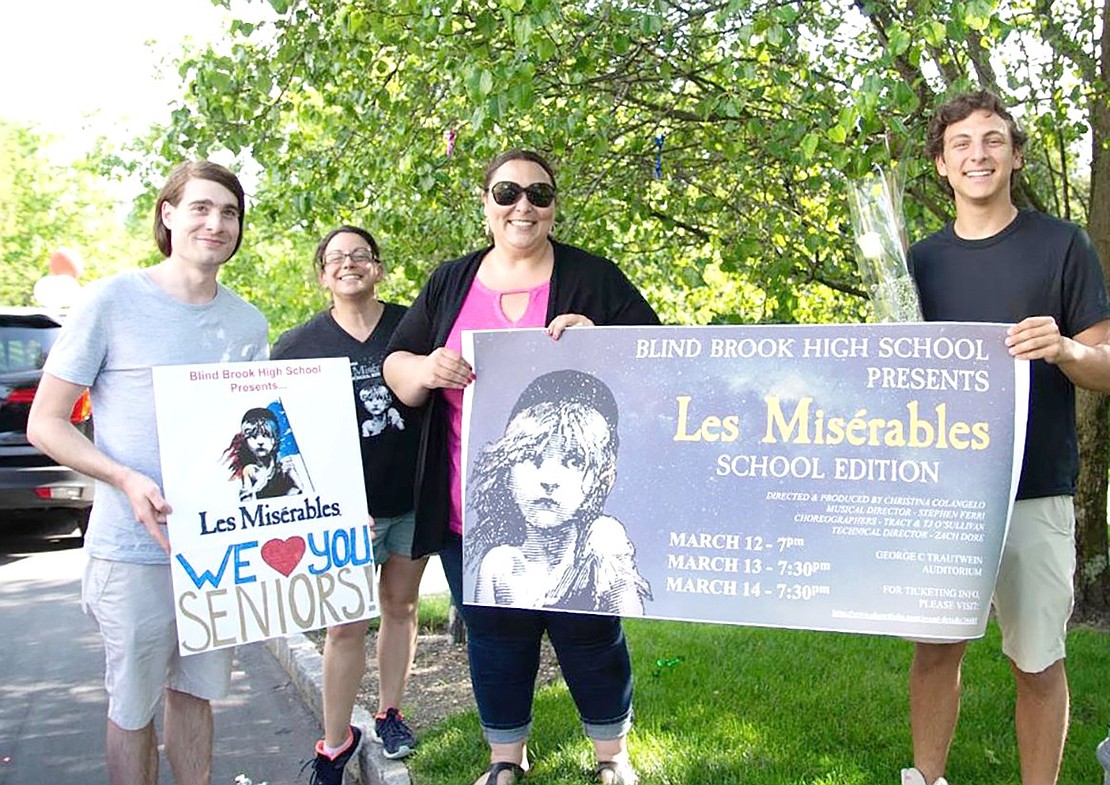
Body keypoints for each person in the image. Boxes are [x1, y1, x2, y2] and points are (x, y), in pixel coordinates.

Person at [383, 148, 659, 785]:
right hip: (468, 509)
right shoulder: (450, 281)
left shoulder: (594, 278)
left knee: (590, 637)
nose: (523, 206)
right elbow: (399, 367)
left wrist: (602, 344)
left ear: (554, 205)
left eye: (539, 194)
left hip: (576, 511)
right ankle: (506, 759)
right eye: (507, 193)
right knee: (494, 637)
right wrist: (426, 369)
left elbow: (656, 359)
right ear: (486, 204)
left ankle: (612, 758)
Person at [26, 161, 269, 785]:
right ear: (168, 213)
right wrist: (125, 478)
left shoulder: (249, 323)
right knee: (133, 708)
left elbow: (257, 436)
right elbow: (46, 424)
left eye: (229, 213)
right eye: (201, 208)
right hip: (134, 549)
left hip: (219, 551)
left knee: (196, 694)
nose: (216, 223)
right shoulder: (111, 300)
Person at [903, 90, 1110, 785]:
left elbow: (1105, 366)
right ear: (940, 164)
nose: (978, 154)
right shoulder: (917, 264)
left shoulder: (1063, 246)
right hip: (943, 494)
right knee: (936, 650)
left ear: (1016, 155)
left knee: (1038, 660)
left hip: (1036, 489)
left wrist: (1065, 350)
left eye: (992, 140)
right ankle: (927, 778)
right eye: (960, 143)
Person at [270, 225, 425, 781]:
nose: (349, 263)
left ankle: (389, 712)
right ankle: (335, 742)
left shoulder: (414, 325)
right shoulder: (296, 347)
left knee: (401, 609)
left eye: (360, 255)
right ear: (322, 276)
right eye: (336, 257)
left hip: (409, 498)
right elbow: (280, 439)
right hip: (340, 514)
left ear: (378, 268)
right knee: (344, 626)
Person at [467, 369, 651, 615]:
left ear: (601, 477)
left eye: (574, 460)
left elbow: (630, 614)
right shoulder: (500, 565)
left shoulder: (603, 547)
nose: (549, 479)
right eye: (531, 456)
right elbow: (493, 636)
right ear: (507, 469)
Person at [223, 407, 303, 500]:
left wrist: (290, 472)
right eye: (253, 436)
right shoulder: (250, 470)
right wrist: (249, 492)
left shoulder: (282, 464)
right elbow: (246, 498)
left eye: (266, 435)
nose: (260, 441)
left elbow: (299, 488)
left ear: (275, 439)